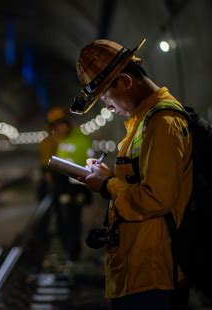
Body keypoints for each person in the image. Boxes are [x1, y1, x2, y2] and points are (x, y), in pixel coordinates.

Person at [73, 39, 192, 309]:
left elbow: (156, 199)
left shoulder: (162, 123)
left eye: (105, 96)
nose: (108, 107)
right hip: (137, 266)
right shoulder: (143, 120)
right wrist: (109, 176)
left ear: (125, 82)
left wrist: (107, 186)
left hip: (153, 273)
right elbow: (143, 179)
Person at [49, 106, 93, 261]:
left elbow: (80, 169)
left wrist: (71, 192)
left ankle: (73, 254)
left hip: (73, 189)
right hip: (65, 187)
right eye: (55, 127)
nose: (58, 129)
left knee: (72, 222)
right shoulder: (65, 140)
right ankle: (70, 253)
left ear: (67, 124)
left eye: (60, 125)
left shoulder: (78, 141)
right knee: (66, 221)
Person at [37, 109, 61, 201]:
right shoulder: (47, 142)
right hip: (54, 173)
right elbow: (45, 159)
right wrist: (47, 173)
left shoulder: (63, 140)